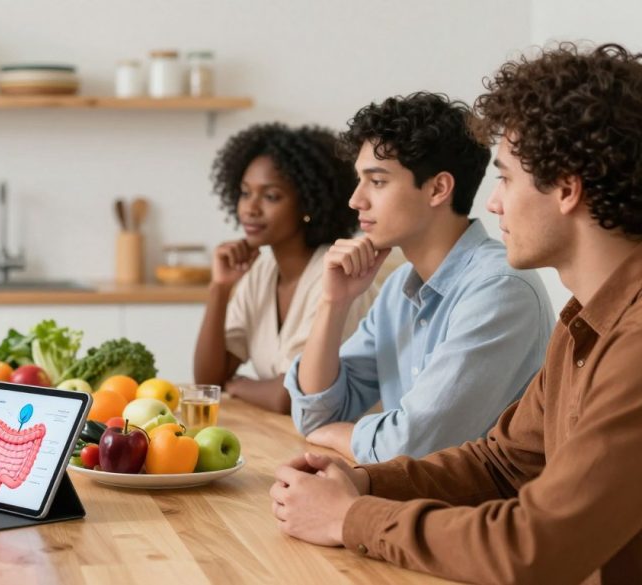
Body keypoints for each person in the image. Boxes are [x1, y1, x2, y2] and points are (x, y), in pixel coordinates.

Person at [271, 43, 642, 584]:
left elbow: (534, 547)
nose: (493, 203)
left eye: (507, 178)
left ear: (566, 188)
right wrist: (366, 484)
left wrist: (351, 517)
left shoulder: (632, 344)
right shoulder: (582, 324)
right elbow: (501, 463)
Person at [286, 92, 554, 463]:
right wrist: (334, 302)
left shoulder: (500, 289)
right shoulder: (399, 288)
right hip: (419, 504)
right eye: (359, 181)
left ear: (438, 189)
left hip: (480, 515)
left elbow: (413, 447)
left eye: (376, 182)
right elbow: (312, 414)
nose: (355, 200)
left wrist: (340, 433)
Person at [194, 123, 376, 413]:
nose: (250, 208)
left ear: (308, 203)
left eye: (270, 196)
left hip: (349, 444)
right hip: (286, 436)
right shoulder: (261, 270)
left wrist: (238, 386)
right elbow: (207, 381)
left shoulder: (337, 274)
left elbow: (291, 396)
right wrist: (220, 288)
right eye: (244, 192)